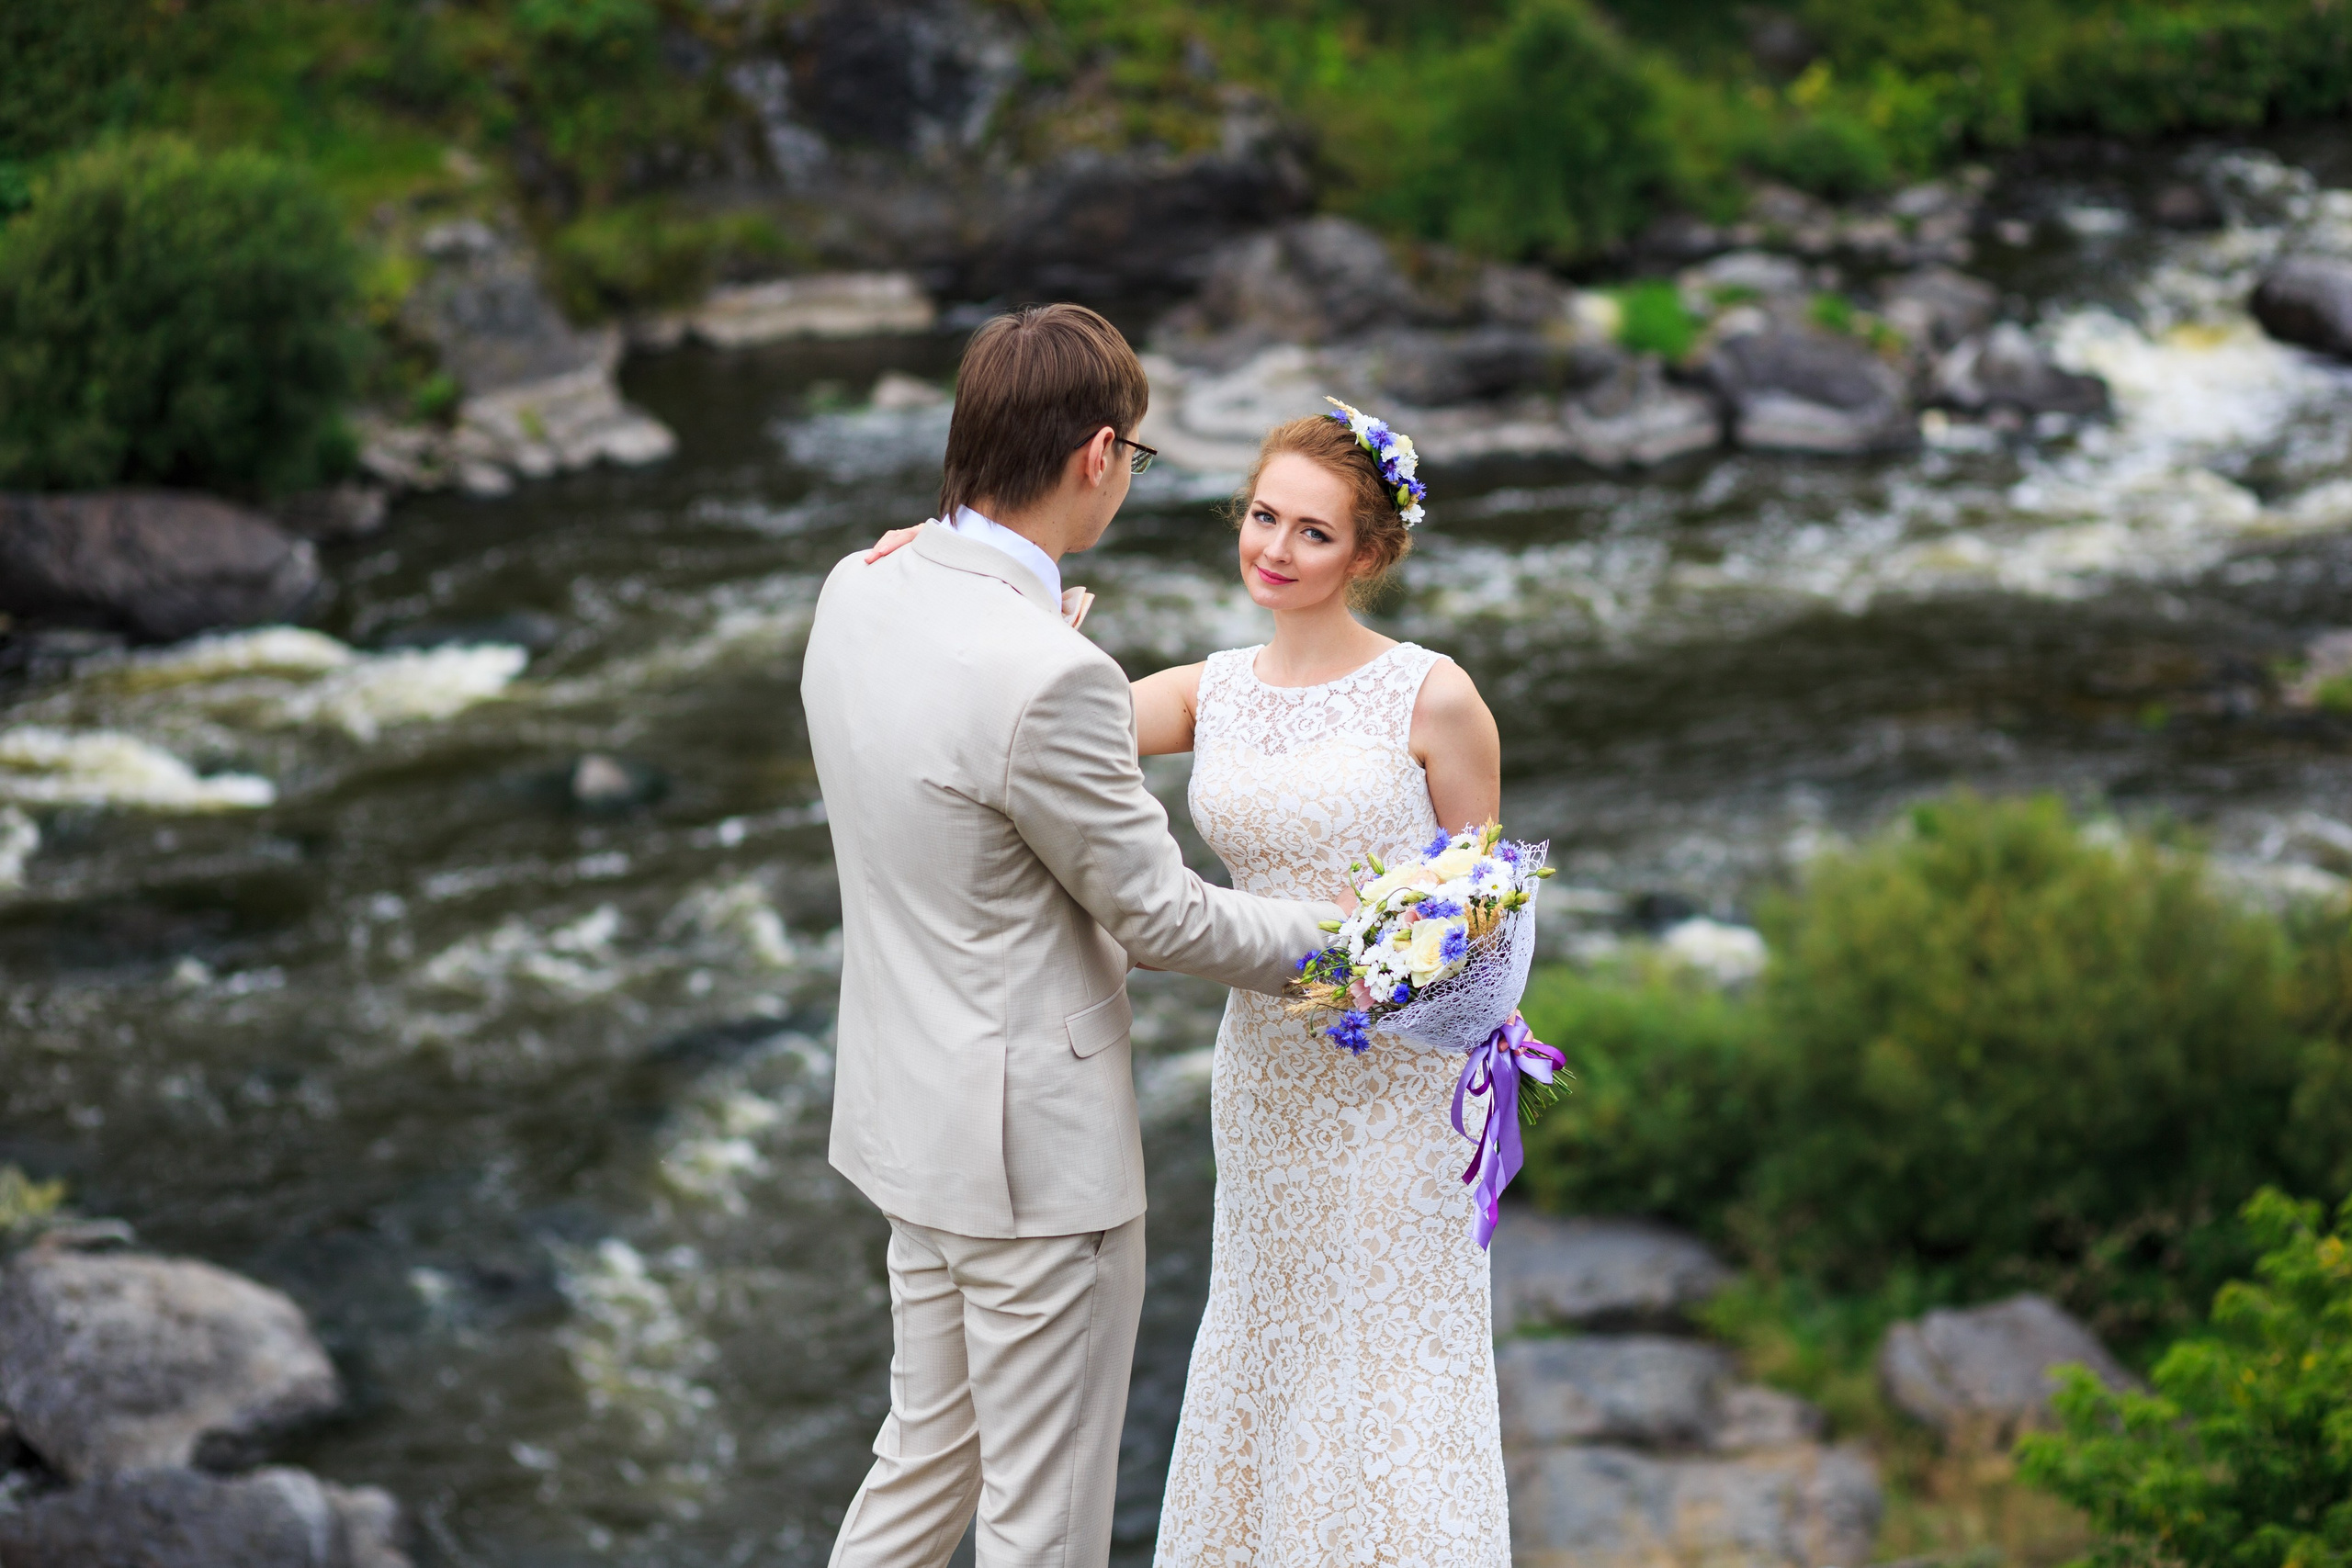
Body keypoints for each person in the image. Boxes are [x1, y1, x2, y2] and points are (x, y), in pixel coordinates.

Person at [868, 403, 1510, 1562]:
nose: (1274, 548)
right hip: (1264, 1081)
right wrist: (937, 574)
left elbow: (1487, 920)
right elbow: (1015, 716)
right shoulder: (1211, 691)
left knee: (1381, 1364)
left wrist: (1399, 971)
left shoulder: (1436, 697)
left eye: (1313, 534)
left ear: (1368, 555)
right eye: (1262, 516)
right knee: (1270, 1338)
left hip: (1393, 1102)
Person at [800, 302, 1345, 1568]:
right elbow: (1156, 912)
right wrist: (1355, 933)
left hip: (910, 1122)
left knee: (920, 1470)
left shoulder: (858, 587)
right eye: (1137, 457)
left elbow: (958, 777)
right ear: (1099, 454)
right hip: (1034, 1167)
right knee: (1041, 1525)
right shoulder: (1048, 675)